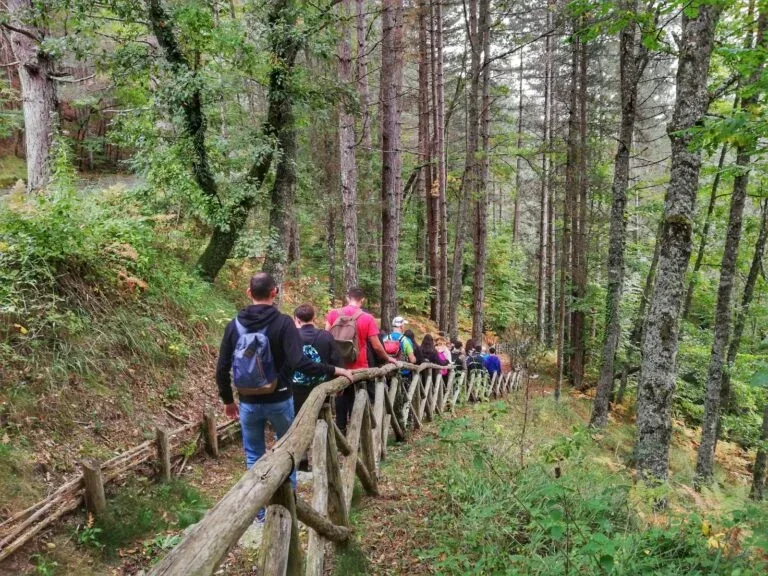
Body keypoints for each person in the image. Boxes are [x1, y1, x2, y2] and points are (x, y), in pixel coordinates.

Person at [216, 273, 353, 505]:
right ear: (274, 293)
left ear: (249, 293)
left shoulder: (234, 325)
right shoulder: (283, 323)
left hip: (248, 400)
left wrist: (229, 401)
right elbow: (300, 362)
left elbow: (222, 368)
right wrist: (334, 370)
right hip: (279, 399)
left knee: (253, 455)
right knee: (287, 450)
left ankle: (257, 510)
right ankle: (287, 504)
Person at [326, 287, 395, 432]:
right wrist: (387, 358)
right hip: (360, 366)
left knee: (341, 395)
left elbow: (326, 337)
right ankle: (357, 431)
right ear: (362, 300)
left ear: (347, 298)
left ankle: (340, 428)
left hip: (339, 366)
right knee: (359, 397)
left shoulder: (333, 314)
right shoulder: (367, 318)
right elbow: (376, 346)